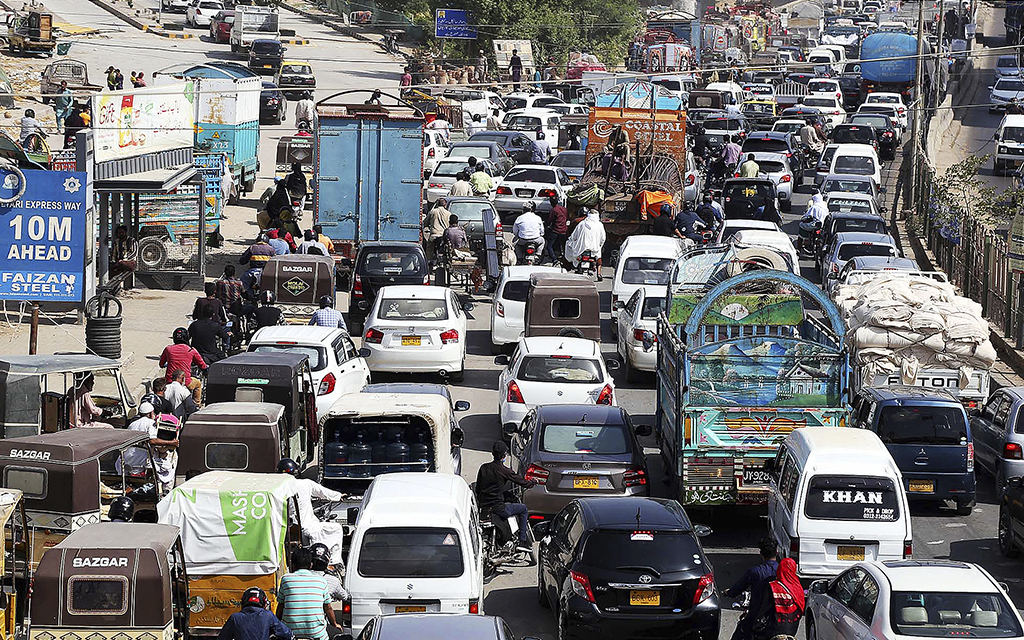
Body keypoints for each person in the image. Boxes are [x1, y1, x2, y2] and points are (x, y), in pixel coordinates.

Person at [278, 459, 345, 563]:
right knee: (337, 529)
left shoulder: (278, 489)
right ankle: (334, 562)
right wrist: (338, 496)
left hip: (290, 530)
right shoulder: (305, 484)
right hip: (310, 528)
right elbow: (323, 492)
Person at [474, 441, 536, 552]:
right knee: (523, 509)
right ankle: (522, 541)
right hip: (499, 508)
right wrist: (532, 483)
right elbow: (522, 482)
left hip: (484, 508)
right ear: (504, 455)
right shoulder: (505, 470)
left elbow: (478, 488)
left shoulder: (483, 468)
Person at [277, 548, 339, 640]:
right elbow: (328, 608)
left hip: (290, 634)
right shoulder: (321, 581)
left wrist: (277, 624)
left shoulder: (286, 579)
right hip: (317, 635)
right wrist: (335, 624)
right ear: (311, 565)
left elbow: (281, 606)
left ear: (293, 565)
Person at [116, 402, 179, 491]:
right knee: (169, 465)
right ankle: (166, 490)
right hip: (142, 459)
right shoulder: (151, 423)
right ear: (150, 413)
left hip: (127, 458)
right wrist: (171, 442)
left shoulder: (132, 424)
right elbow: (152, 441)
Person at [725, 536, 779, 640]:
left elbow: (738, 587)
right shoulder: (783, 571)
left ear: (761, 554)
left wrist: (728, 593)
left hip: (756, 616)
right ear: (776, 552)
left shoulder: (755, 572)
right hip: (778, 618)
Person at [750, 557, 804, 640]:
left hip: (773, 631)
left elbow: (764, 610)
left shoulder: (773, 587)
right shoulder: (798, 588)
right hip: (792, 630)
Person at [218, 587, 293, 640]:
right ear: (264, 603)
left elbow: (222, 638)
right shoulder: (268, 616)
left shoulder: (234, 618)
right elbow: (287, 634)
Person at [159, 328, 207, 405]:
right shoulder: (191, 350)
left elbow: (161, 364)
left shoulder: (168, 349)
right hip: (186, 382)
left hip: (169, 381)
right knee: (198, 384)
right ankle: (197, 404)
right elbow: (202, 364)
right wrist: (205, 368)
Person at [564, 208, 606, 279]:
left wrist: (572, 241)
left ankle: (569, 266)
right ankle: (599, 273)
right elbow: (603, 239)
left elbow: (574, 236)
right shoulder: (599, 225)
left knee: (568, 245)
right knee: (599, 256)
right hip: (594, 250)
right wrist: (599, 246)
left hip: (580, 249)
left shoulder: (582, 224)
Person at [544, 195, 569, 262]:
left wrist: (545, 225)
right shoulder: (564, 209)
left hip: (556, 231)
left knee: (549, 246)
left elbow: (549, 220)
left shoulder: (554, 210)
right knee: (564, 246)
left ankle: (554, 259)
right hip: (564, 230)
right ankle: (565, 258)